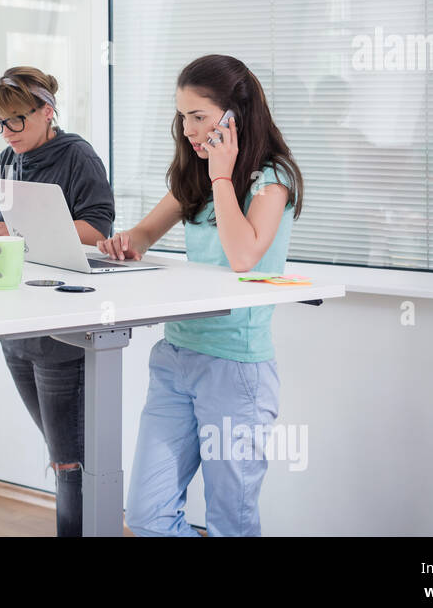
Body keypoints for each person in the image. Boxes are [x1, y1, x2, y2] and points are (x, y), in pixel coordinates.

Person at [97, 54, 304, 537]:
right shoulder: (193, 176)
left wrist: (222, 174)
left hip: (235, 369)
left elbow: (244, 256)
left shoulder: (271, 179)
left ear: (235, 116)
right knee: (147, 514)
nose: (188, 129)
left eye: (199, 116)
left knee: (231, 520)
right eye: (182, 116)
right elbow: (144, 234)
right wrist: (124, 243)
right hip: (176, 357)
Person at [0, 66, 114, 537]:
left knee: (70, 459)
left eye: (15, 122)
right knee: (60, 452)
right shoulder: (7, 159)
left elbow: (97, 230)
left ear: (47, 112)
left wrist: (16, 230)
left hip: (59, 330)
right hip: (14, 327)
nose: (7, 133)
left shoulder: (78, 157)